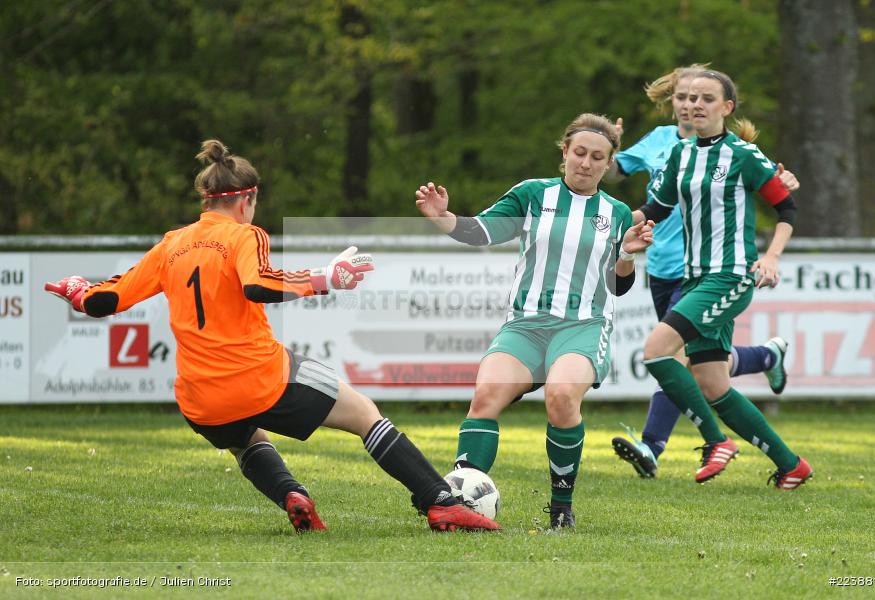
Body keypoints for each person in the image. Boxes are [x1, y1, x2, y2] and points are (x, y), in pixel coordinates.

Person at [45, 139, 500, 533]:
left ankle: (292, 496)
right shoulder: (246, 234)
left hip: (200, 400)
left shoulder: (172, 244)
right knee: (364, 413)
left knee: (247, 438)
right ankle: (441, 503)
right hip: (258, 378)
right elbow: (257, 284)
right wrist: (325, 277)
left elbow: (106, 300)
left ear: (207, 200)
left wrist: (78, 291)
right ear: (247, 199)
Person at [415, 113, 655, 528]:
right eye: (579, 152)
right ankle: (461, 501)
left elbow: (618, 288)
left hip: (583, 326)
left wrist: (628, 255)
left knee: (562, 397)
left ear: (608, 163)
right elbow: (482, 232)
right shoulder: (532, 194)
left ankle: (561, 509)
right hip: (526, 325)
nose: (585, 162)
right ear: (564, 153)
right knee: (487, 395)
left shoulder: (616, 213)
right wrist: (444, 218)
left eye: (597, 157)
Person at [604, 64, 800, 479]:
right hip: (691, 275)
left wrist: (773, 256)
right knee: (711, 381)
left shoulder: (743, 155)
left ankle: (714, 441)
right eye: (688, 97)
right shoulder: (677, 152)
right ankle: (791, 465)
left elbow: (785, 206)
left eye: (706, 98)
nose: (694, 104)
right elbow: (657, 207)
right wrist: (607, 222)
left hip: (728, 276)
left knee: (658, 350)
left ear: (727, 107)